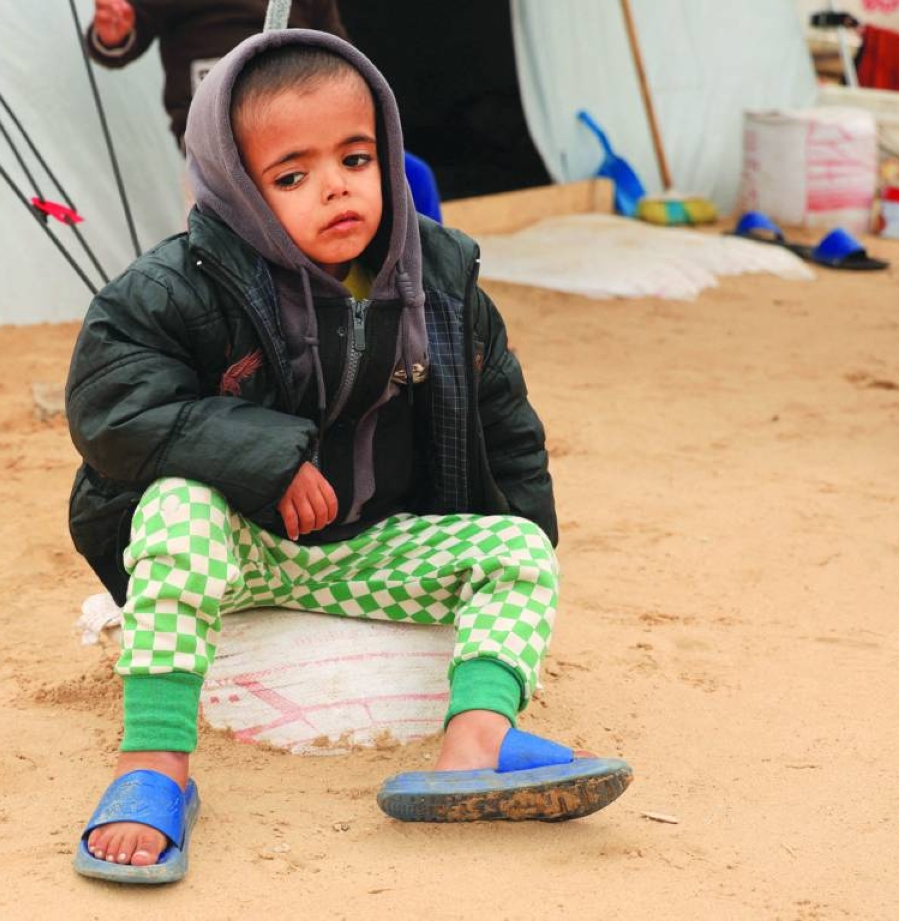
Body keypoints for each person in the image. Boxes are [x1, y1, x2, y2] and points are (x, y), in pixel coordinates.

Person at [66, 28, 633, 884]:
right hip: (244, 548)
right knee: (174, 506)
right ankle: (156, 763)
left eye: (357, 159)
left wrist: (512, 574)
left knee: (518, 547)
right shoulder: (171, 290)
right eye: (291, 176)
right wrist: (264, 459)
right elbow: (112, 410)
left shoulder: (435, 280)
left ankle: (475, 741)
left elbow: (508, 427)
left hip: (375, 546)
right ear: (236, 188)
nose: (335, 188)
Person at [86, 0, 348, 149]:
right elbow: (131, 26)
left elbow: (337, 48)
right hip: (212, 124)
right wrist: (113, 34)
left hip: (298, 105)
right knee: (218, 226)